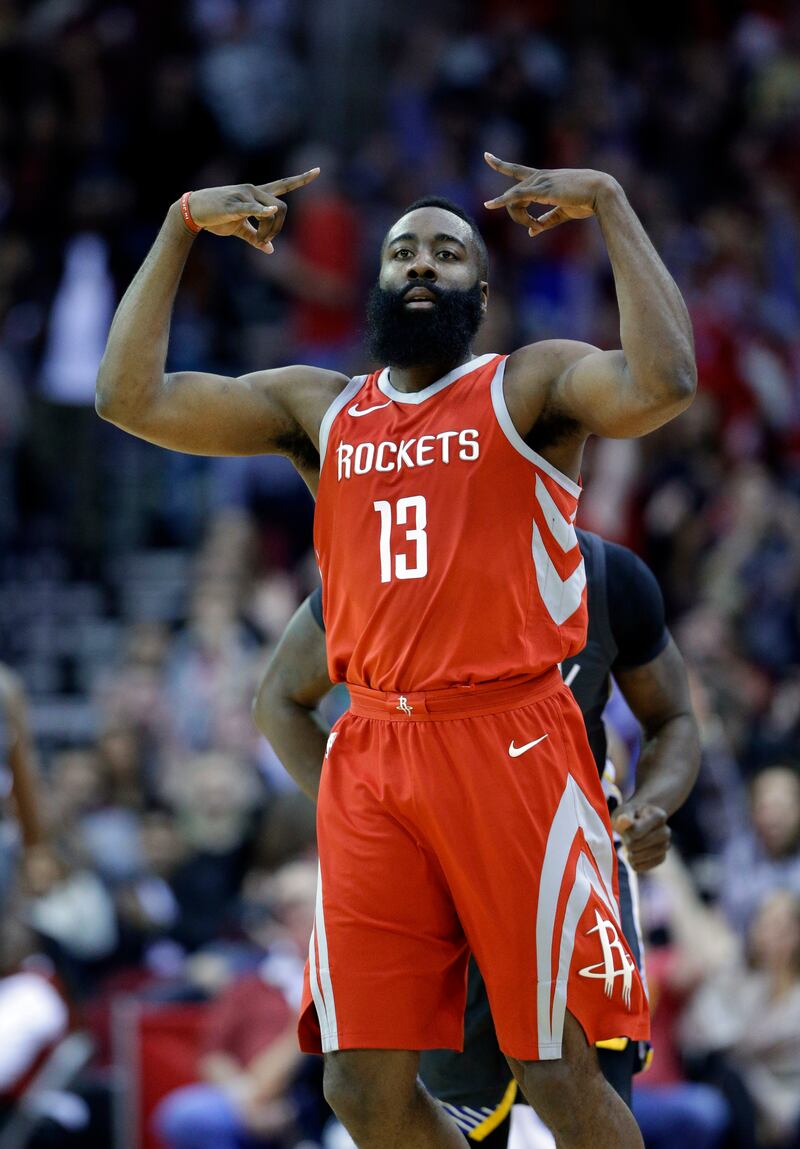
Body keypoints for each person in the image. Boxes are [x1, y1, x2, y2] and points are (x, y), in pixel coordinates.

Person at [96, 156, 696, 1148]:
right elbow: (130, 399)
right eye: (401, 251)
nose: (421, 264)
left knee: (553, 1068)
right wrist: (177, 229)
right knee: (354, 1089)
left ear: (480, 291)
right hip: (375, 753)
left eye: (447, 253)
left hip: (510, 743)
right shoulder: (320, 408)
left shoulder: (527, 385)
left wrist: (609, 204)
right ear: (377, 280)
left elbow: (662, 381)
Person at [254, 529, 701, 1146]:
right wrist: (360, 817)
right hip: (440, 883)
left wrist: (651, 805)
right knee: (409, 1100)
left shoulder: (605, 575)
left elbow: (673, 716)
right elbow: (277, 700)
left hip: (568, 875)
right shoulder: (387, 557)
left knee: (574, 1088)